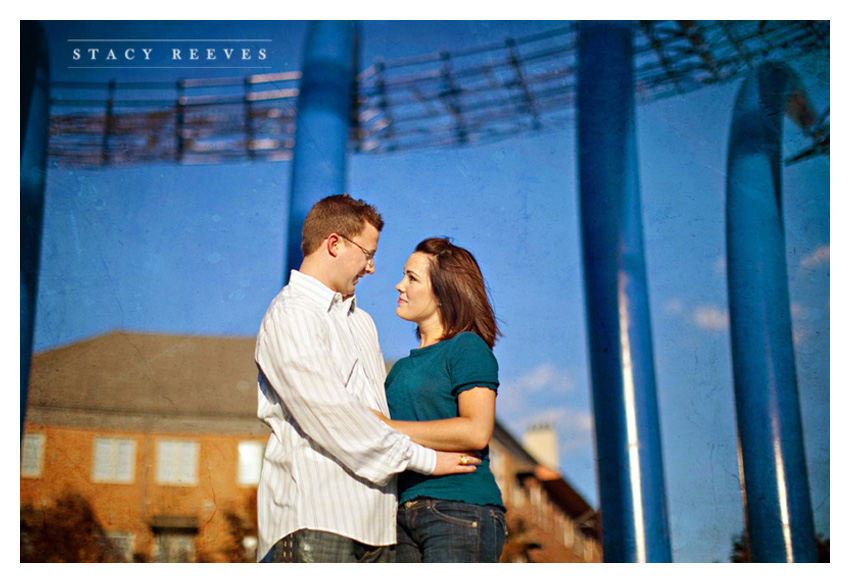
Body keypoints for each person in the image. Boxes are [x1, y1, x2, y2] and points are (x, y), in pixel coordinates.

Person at [254, 196, 481, 563]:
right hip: (315, 522)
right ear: (334, 243)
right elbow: (335, 419)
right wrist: (426, 459)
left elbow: (375, 417)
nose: (372, 269)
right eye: (367, 254)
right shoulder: (291, 315)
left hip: (379, 529)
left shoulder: (362, 322)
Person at [373, 237, 506, 562]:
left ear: (443, 292)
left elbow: (476, 431)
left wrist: (387, 428)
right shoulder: (400, 368)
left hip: (459, 508)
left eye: (412, 278)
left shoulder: (467, 348)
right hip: (399, 515)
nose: (398, 285)